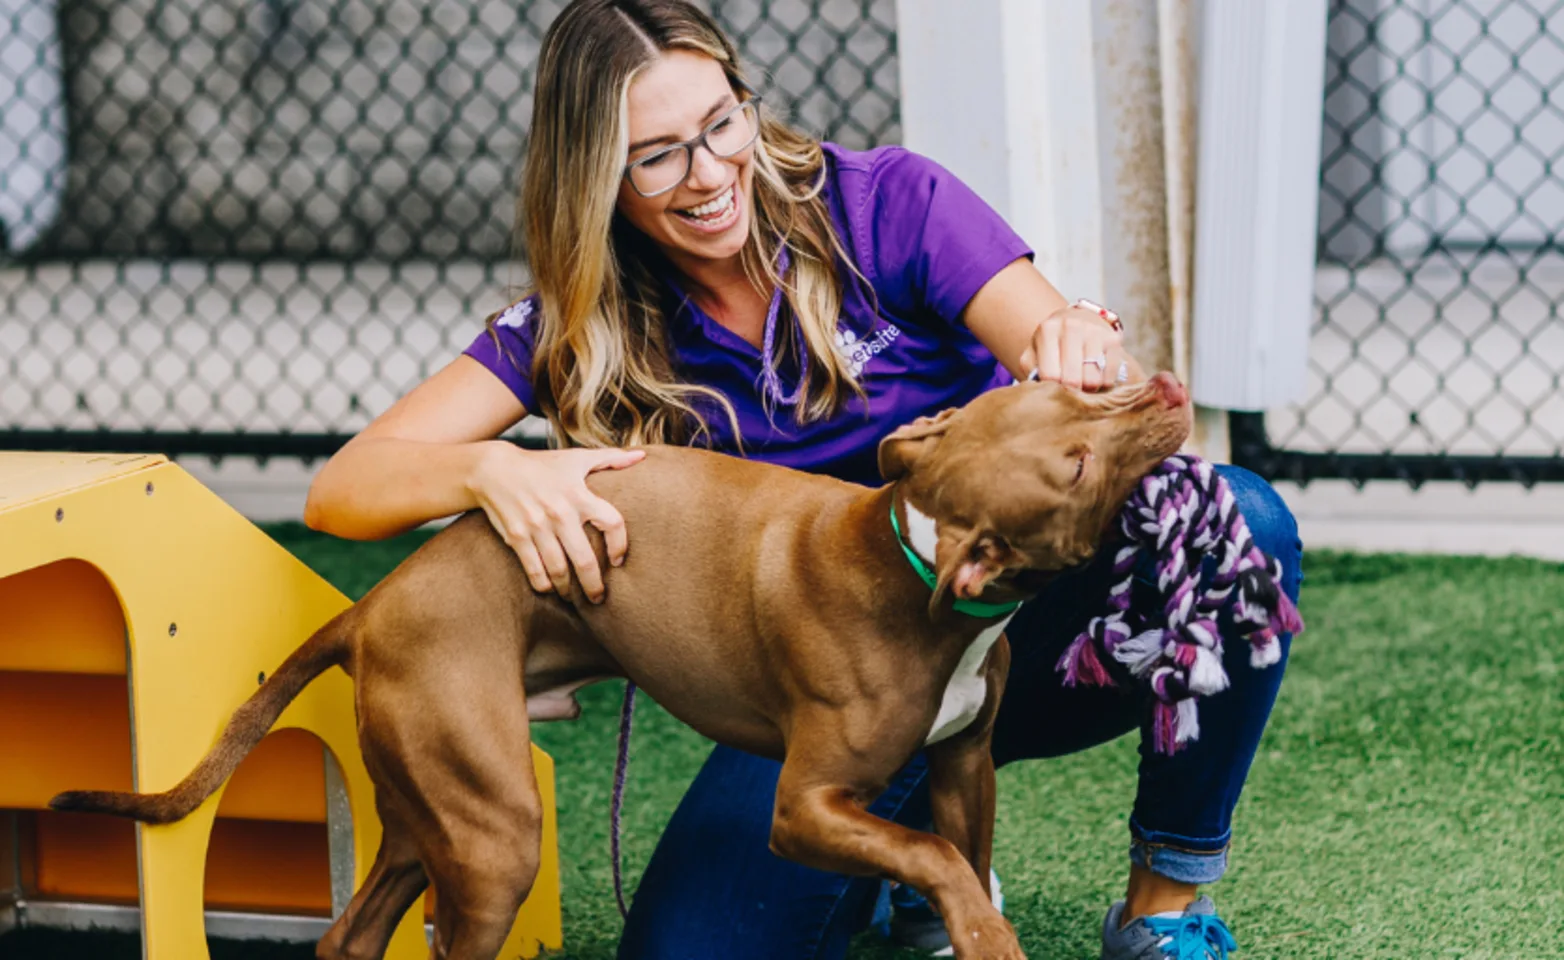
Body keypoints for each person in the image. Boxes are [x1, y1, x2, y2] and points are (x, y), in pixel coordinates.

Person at [304, 2, 1301, 958]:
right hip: (818, 698)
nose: (708, 174)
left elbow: (1047, 349)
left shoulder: (885, 204)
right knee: (690, 950)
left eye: (720, 123)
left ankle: (1162, 910)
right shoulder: (575, 326)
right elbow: (344, 488)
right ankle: (908, 867)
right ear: (595, 175)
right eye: (657, 156)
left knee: (1240, 526)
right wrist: (490, 469)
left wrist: (1072, 339)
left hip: (1003, 626)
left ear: (745, 98)